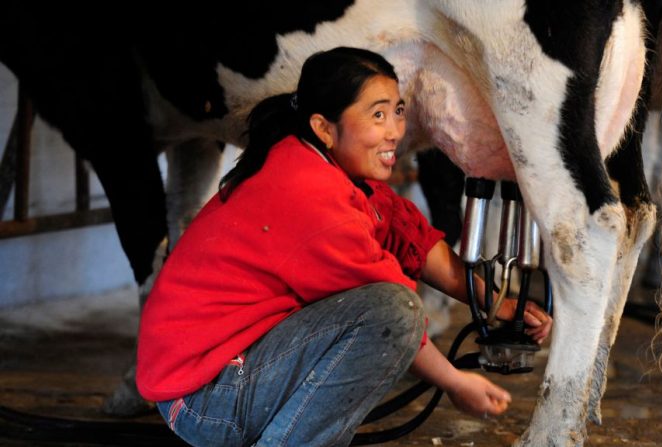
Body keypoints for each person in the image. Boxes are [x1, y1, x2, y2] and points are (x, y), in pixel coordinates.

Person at [136, 46, 552, 447]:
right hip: (203, 397)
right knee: (394, 311)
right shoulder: (311, 196)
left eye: (397, 111)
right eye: (377, 115)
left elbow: (412, 241)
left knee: (387, 310)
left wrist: (500, 308)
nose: (394, 132)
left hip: (208, 377)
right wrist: (455, 383)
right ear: (323, 127)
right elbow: (391, 317)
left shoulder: (318, 165)